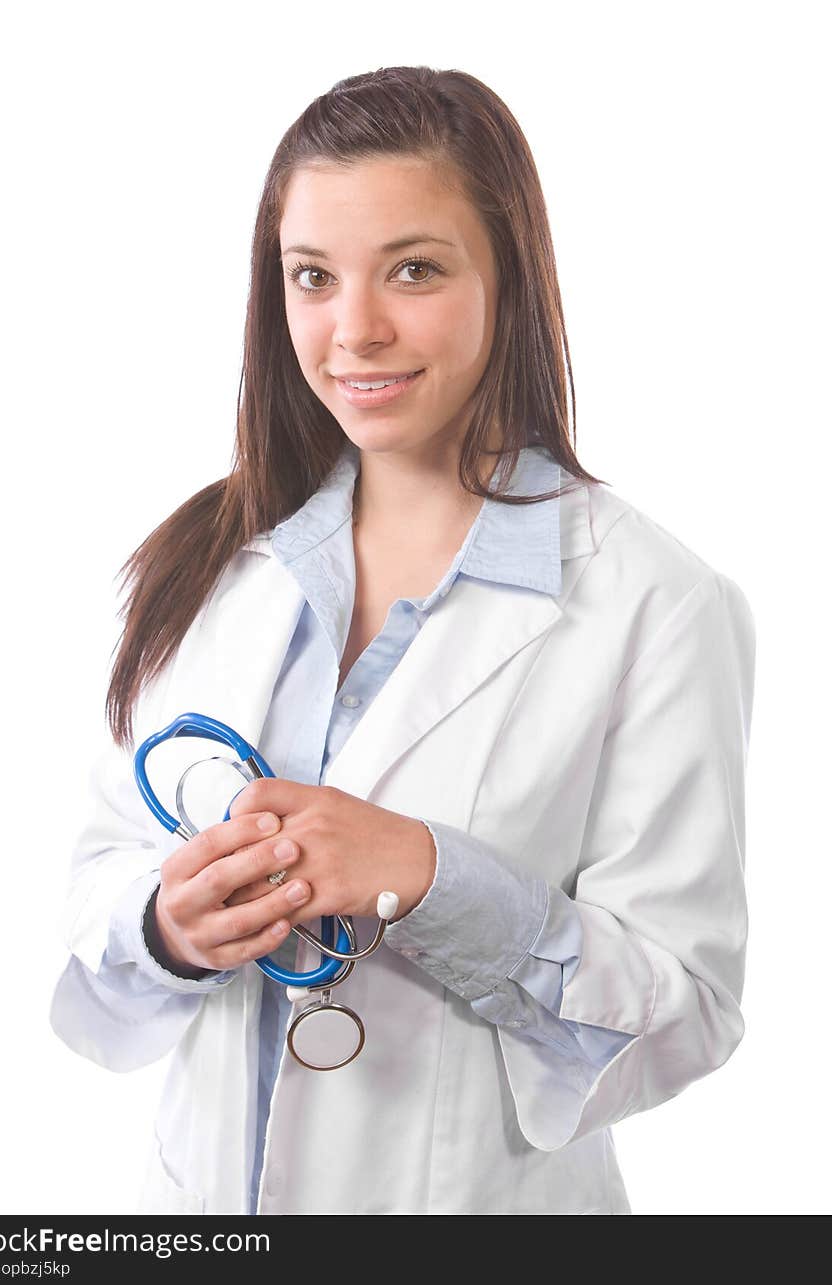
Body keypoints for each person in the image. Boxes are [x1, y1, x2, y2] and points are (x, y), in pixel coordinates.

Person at [49, 65, 756, 1216]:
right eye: (312, 278)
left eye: (414, 270)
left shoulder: (655, 602)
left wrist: (433, 878)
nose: (353, 330)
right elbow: (98, 884)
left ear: (507, 280)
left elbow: (687, 1009)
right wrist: (170, 924)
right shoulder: (214, 560)